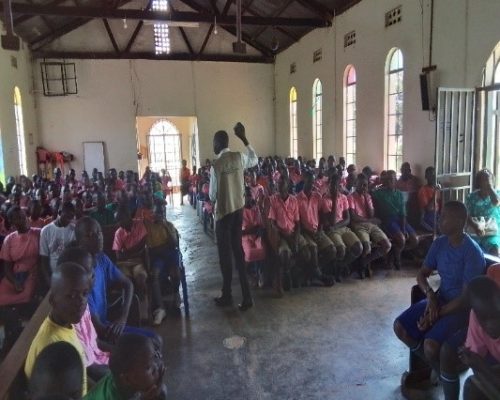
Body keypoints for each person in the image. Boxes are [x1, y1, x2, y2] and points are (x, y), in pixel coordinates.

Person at [393, 201, 485, 391]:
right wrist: (430, 296)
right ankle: (441, 370)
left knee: (431, 345)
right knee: (400, 327)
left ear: (459, 221)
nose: (439, 219)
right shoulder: (440, 243)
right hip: (440, 299)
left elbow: (466, 299)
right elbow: (422, 274)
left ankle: (445, 373)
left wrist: (435, 314)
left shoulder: (472, 252)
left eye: (444, 217)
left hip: (461, 309)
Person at [75, 217, 157, 344]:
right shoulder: (82, 277)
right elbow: (99, 329)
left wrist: (123, 318)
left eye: (99, 232)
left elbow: (128, 284)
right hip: (98, 337)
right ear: (79, 241)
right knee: (152, 342)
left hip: (109, 325)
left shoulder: (101, 259)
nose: (98, 237)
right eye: (90, 235)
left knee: (155, 339)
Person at [209, 122, 258, 311]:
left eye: (214, 143)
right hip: (238, 212)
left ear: (218, 144)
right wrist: (244, 138)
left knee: (225, 257)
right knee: (238, 253)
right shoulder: (239, 157)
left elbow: (212, 196)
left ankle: (227, 295)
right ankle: (247, 297)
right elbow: (255, 159)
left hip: (223, 216)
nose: (213, 146)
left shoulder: (216, 166)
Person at [25, 261, 91, 395]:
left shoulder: (65, 324)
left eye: (84, 294)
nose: (81, 302)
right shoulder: (52, 345)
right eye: (71, 296)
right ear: (52, 301)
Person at [439, 275, 500, 400]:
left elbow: (480, 365)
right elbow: (476, 355)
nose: (492, 324)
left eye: (496, 315)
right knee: (471, 385)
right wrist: (470, 358)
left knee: (472, 387)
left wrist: (481, 365)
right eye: (484, 318)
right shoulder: (476, 316)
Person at [58, 246, 111, 383]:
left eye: (92, 269)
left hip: (99, 359)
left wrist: (119, 351)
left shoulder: (82, 303)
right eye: (87, 271)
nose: (93, 274)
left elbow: (95, 342)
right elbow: (88, 370)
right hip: (92, 373)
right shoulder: (71, 316)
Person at [84, 333, 166, 400]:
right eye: (148, 367)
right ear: (127, 379)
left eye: (153, 360)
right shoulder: (110, 396)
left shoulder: (122, 381)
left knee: (161, 391)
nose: (155, 367)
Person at [268, 175, 309, 295]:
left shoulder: (293, 200)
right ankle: (286, 274)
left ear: (288, 188)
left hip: (293, 233)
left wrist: (295, 239)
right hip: (281, 234)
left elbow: (297, 222)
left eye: (282, 187)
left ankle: (294, 270)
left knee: (307, 253)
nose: (280, 189)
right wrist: (287, 237)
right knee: (285, 254)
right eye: (278, 187)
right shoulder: (274, 200)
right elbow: (272, 223)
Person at [372, 170, 418, 270]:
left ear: (395, 180)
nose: (389, 182)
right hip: (388, 220)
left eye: (391, 179)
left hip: (400, 219)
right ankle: (397, 258)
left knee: (415, 240)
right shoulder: (379, 193)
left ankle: (394, 253)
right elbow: (368, 192)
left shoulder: (399, 194)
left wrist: (404, 228)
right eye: (386, 179)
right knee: (401, 239)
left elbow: (403, 213)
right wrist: (379, 185)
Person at [144, 207, 182, 325]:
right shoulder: (149, 228)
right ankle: (161, 308)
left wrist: (165, 226)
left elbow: (174, 244)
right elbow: (151, 250)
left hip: (170, 254)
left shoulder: (169, 225)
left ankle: (176, 294)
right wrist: (165, 246)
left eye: (160, 214)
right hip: (158, 258)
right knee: (154, 275)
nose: (158, 216)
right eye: (155, 214)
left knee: (175, 272)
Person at [348, 174, 392, 278]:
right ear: (356, 184)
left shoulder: (367, 196)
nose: (364, 187)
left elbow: (371, 214)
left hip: (370, 224)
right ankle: (364, 267)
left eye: (366, 185)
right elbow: (354, 217)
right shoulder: (350, 197)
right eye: (361, 185)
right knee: (367, 247)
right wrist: (370, 220)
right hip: (359, 226)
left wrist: (366, 199)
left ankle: (363, 263)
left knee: (387, 245)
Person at [322, 173, 363, 281]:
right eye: (332, 185)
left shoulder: (344, 198)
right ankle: (337, 272)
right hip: (332, 230)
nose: (334, 188)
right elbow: (331, 221)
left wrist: (336, 227)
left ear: (340, 185)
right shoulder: (325, 200)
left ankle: (340, 265)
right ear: (329, 185)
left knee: (358, 248)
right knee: (341, 249)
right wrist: (335, 200)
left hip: (342, 228)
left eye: (336, 185)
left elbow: (347, 219)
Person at [296, 171, 335, 283]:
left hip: (317, 230)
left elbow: (321, 215)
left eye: (313, 182)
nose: (311, 184)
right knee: (313, 249)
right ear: (304, 181)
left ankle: (313, 271)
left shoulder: (317, 196)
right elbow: (297, 221)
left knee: (331, 250)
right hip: (305, 232)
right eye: (309, 181)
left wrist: (320, 229)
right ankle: (319, 275)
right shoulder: (297, 198)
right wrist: (308, 231)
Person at [0, 206, 41, 305]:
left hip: (33, 273)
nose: (23, 218)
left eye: (23, 215)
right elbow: (7, 267)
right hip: (15, 275)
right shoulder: (9, 239)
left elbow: (43, 258)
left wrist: (35, 270)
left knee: (26, 295)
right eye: (18, 217)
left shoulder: (39, 233)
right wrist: (15, 281)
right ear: (11, 221)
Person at [39, 201, 76, 288]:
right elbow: (44, 258)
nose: (69, 220)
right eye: (67, 217)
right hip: (54, 273)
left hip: (69, 272)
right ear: (59, 213)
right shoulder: (46, 231)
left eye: (71, 217)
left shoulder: (74, 229)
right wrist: (48, 279)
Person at [466, 169, 500, 256]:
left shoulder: (497, 194)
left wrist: (490, 188)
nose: (486, 181)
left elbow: (496, 202)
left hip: (492, 231)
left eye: (489, 179)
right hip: (476, 229)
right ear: (479, 183)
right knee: (472, 251)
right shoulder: (472, 197)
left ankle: (492, 269)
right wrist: (475, 226)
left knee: (494, 250)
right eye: (483, 180)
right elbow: (466, 215)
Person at [418, 166, 442, 232]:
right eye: (430, 175)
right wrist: (435, 193)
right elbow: (428, 209)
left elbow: (441, 206)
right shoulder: (423, 190)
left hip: (437, 214)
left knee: (448, 227)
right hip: (427, 216)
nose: (433, 177)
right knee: (439, 230)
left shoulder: (437, 189)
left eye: (434, 175)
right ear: (426, 177)